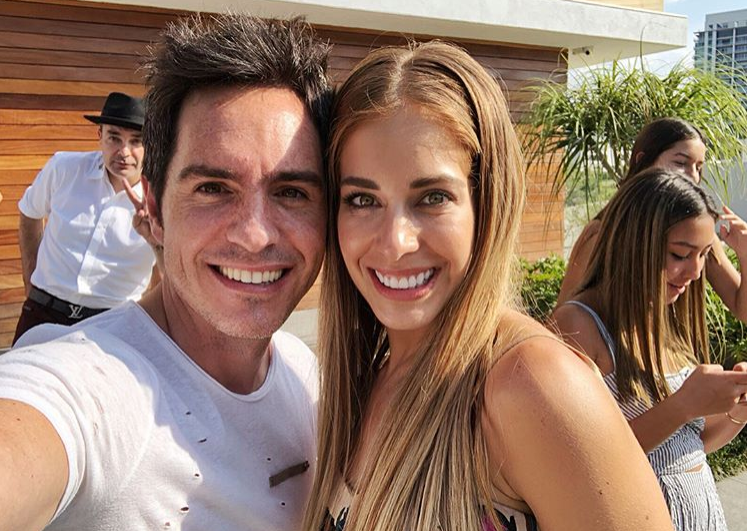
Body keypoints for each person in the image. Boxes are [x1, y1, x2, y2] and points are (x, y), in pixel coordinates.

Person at [302, 41, 674, 531]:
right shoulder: (367, 374)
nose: (395, 243)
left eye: (433, 197)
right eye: (362, 200)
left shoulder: (530, 385)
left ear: (487, 204)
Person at [0, 13, 330, 531]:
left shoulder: (302, 371)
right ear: (154, 209)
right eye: (213, 188)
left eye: (291, 192)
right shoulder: (89, 390)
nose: (255, 235)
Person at [552, 168, 747, 531]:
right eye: (680, 254)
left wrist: (739, 408)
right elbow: (583, 464)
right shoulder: (578, 325)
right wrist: (684, 403)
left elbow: (689, 446)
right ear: (634, 244)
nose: (695, 271)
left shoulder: (662, 315)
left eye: (704, 254)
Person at [557, 117, 746, 323]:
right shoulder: (603, 234)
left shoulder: (697, 236)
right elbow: (563, 320)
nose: (693, 176)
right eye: (681, 163)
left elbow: (743, 309)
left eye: (699, 167)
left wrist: (745, 253)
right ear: (643, 161)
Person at [14, 92, 158, 344]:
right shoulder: (64, 168)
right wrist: (30, 277)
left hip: (113, 325)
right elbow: (29, 212)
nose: (124, 152)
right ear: (99, 135)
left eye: (136, 141)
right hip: (42, 312)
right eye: (114, 137)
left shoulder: (161, 197)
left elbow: (165, 271)